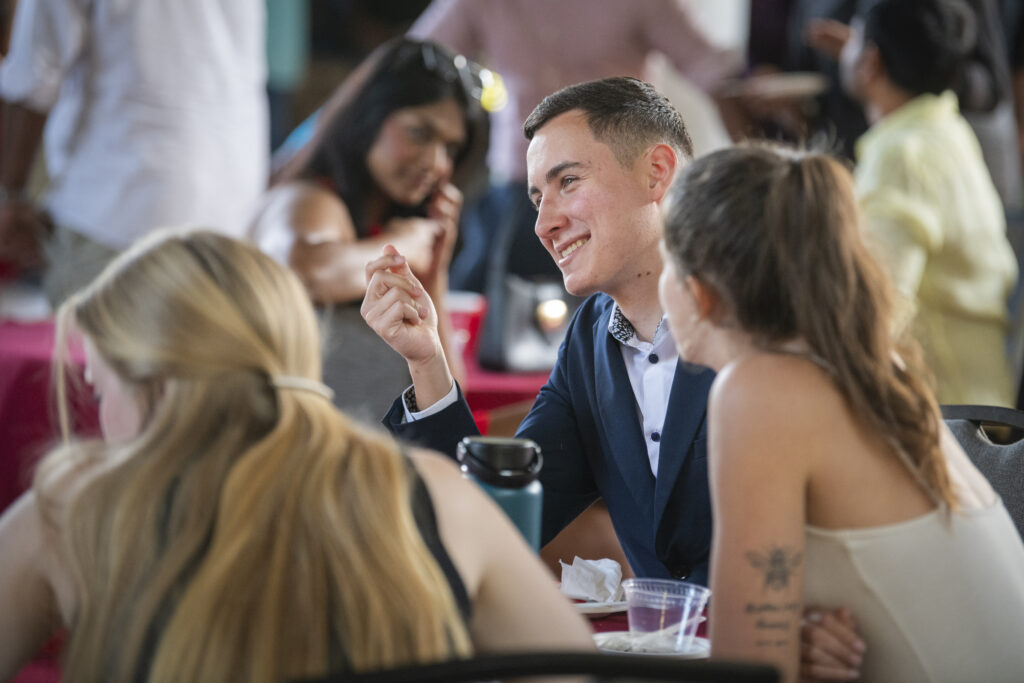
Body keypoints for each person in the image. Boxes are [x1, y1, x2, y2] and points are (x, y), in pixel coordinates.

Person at [362, 77, 866, 682]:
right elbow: (496, 522)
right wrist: (427, 361)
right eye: (535, 197)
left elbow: (860, 519)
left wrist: (805, 622)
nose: (543, 224)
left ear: (657, 173)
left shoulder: (770, 316)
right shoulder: (589, 339)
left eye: (567, 182)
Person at [0, 228, 594, 682]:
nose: (102, 425)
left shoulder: (74, 508)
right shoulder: (435, 495)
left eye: (102, 391)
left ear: (156, 384)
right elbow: (569, 669)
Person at [658, 143, 1024, 683]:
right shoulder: (871, 368)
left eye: (664, 260)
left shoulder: (758, 392)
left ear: (700, 293)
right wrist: (796, 628)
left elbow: (747, 673)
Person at [407, 0, 742, 295]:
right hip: (518, 189)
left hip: (616, 191)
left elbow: (711, 70)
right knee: (475, 300)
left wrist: (748, 169)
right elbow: (410, 64)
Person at [249, 37, 486, 421]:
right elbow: (300, 270)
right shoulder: (310, 199)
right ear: (370, 117)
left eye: (450, 148)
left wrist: (434, 275)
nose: (436, 163)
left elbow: (449, 401)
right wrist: (404, 244)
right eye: (419, 133)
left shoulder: (392, 225)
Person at [0, 0, 268, 307]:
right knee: (208, 352)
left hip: (117, 206)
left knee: (90, 350)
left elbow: (34, 73)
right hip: (231, 204)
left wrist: (10, 195)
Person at [838, 0, 1018, 406]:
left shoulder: (902, 156)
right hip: (985, 402)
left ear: (870, 63)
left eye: (853, 38)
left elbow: (875, 317)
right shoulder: (943, 125)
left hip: (952, 422)